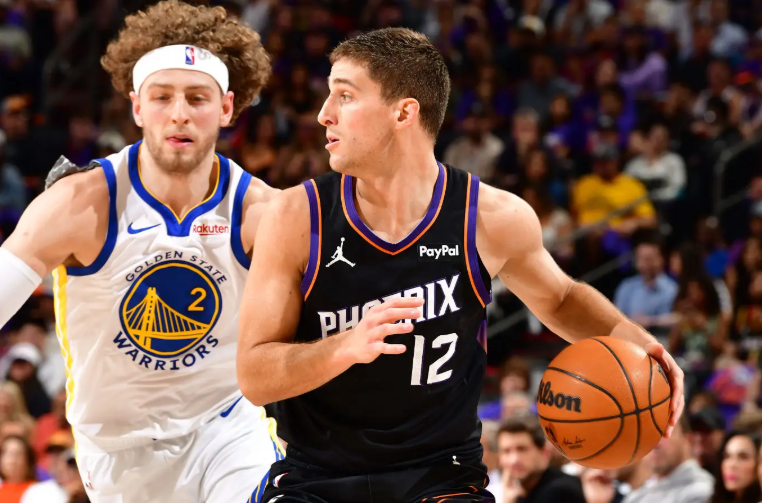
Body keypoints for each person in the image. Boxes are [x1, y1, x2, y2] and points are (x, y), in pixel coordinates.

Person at [237, 27, 684, 503]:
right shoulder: (295, 216)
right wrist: (344, 346)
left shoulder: (491, 217)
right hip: (317, 476)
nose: (324, 113)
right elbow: (254, 375)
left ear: (403, 113)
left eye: (345, 96)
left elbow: (560, 299)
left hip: (441, 477)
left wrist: (633, 339)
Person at [0, 1, 281, 502]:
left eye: (197, 98)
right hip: (116, 451)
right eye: (162, 96)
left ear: (226, 107)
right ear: (136, 106)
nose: (179, 113)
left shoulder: (262, 211)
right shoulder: (77, 204)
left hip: (226, 429)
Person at [493, 416, 586, 503]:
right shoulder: (519, 491)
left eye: (522, 449)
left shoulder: (560, 492)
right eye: (506, 451)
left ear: (545, 452)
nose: (514, 460)